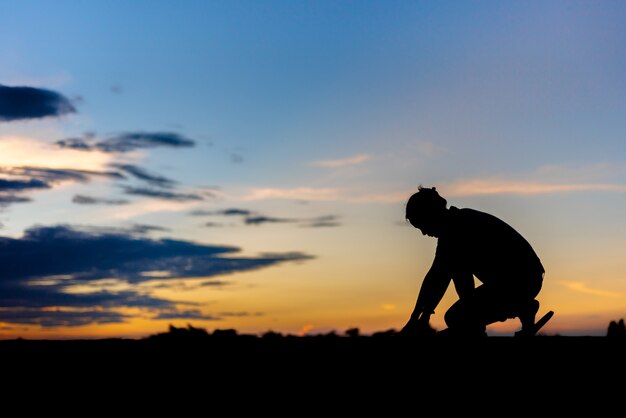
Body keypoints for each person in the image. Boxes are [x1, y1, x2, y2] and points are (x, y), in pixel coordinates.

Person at [400, 186, 545, 337]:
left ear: (431, 215)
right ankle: (522, 307)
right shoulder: (455, 224)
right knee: (456, 315)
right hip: (522, 280)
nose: (424, 233)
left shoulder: (457, 229)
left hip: (520, 281)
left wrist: (421, 318)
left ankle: (512, 310)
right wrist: (418, 317)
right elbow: (436, 277)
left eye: (422, 226)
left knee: (456, 316)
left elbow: (446, 278)